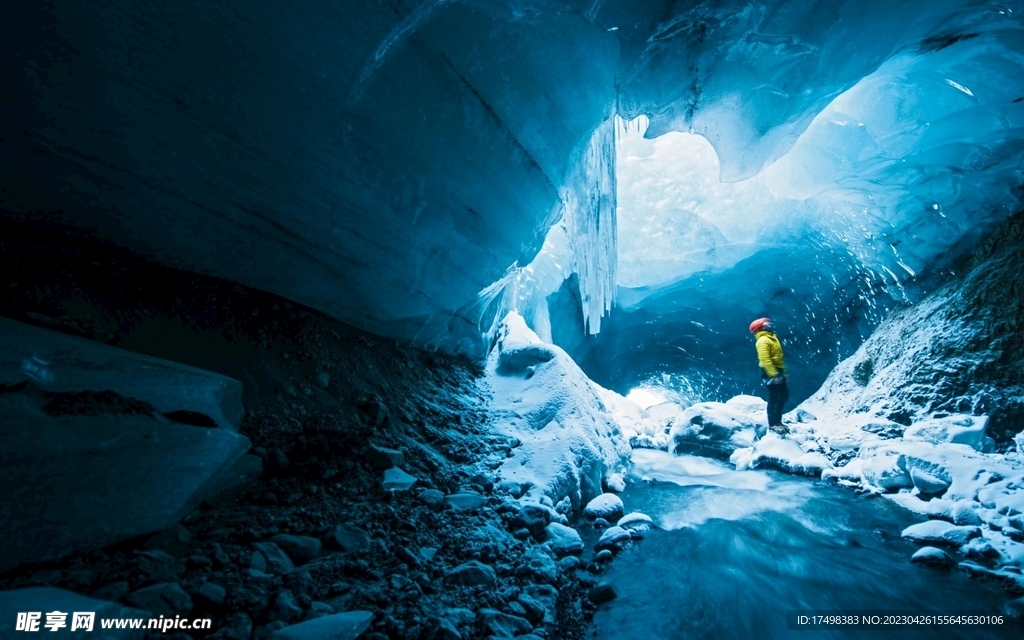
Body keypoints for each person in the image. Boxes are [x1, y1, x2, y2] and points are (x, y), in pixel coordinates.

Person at [749, 317, 789, 434]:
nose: (769, 323)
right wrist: (773, 375)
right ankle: (773, 424)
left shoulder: (772, 337)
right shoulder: (763, 341)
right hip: (770, 372)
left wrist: (784, 372)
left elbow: (780, 357)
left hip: (777, 370)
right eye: (766, 323)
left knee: (783, 396)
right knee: (775, 397)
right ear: (760, 327)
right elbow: (765, 359)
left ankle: (778, 422)